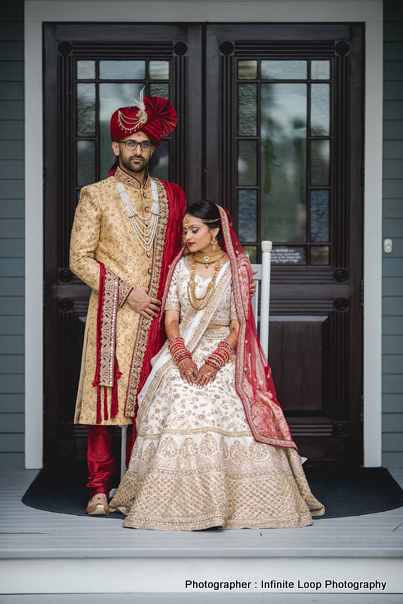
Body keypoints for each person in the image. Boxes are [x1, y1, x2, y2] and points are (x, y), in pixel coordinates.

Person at [109, 201, 325, 529]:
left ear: (214, 232)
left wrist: (215, 361)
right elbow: (171, 320)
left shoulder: (235, 269)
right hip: (184, 350)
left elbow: (239, 326)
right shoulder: (179, 267)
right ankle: (182, 502)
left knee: (224, 394)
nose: (187, 236)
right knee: (180, 392)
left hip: (225, 350)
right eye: (184, 230)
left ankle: (233, 501)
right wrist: (181, 357)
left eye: (194, 230)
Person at [70, 93, 187, 515]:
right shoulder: (96, 195)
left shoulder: (171, 195)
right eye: (130, 143)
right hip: (112, 315)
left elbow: (183, 253)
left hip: (158, 317)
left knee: (149, 403)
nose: (138, 151)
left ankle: (138, 488)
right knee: (105, 403)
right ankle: (99, 489)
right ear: (116, 147)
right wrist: (127, 293)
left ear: (153, 148)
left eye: (145, 144)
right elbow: (79, 258)